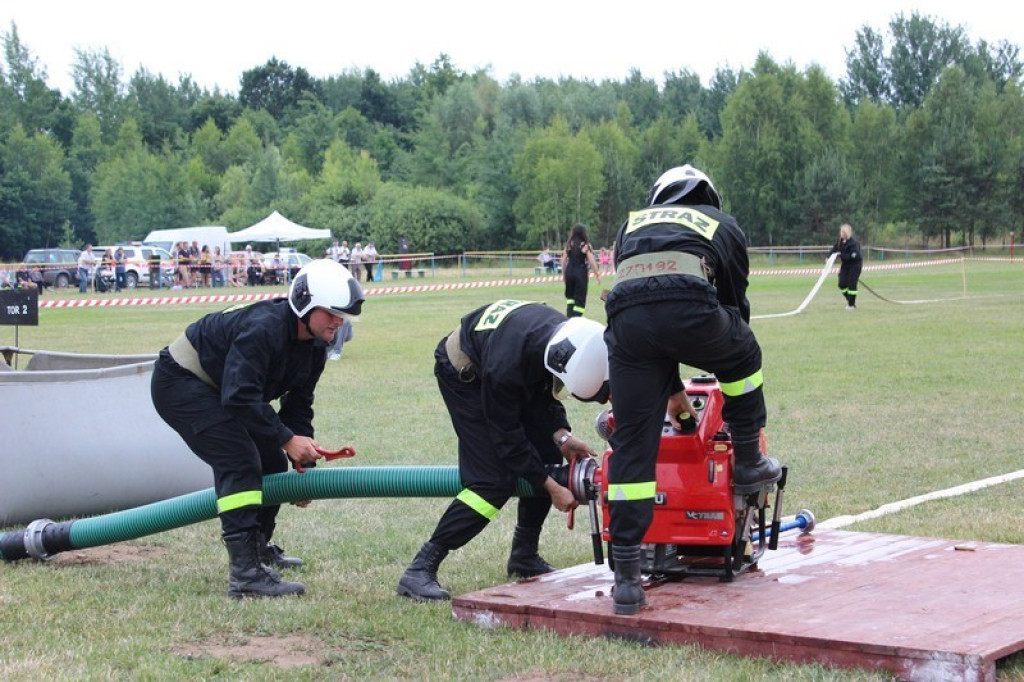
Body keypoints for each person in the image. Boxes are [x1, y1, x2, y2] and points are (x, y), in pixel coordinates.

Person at [602, 164, 782, 615]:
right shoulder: (723, 224)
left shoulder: (631, 221)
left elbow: (639, 300)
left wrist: (668, 386)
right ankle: (749, 462)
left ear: (659, 196)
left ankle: (626, 578)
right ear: (707, 195)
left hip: (627, 327)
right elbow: (735, 304)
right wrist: (723, 347)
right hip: (691, 308)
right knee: (744, 355)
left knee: (632, 447)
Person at [150, 259, 366, 598]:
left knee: (271, 461)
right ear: (305, 304)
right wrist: (285, 438)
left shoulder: (315, 348)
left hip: (224, 390)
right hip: (182, 382)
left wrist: (303, 461)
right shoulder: (264, 329)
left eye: (343, 315)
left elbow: (298, 405)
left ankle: (258, 551)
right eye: (331, 312)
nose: (339, 322)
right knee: (239, 461)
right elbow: (238, 396)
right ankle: (245, 576)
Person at [397, 301, 610, 602]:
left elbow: (542, 391)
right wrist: (551, 487)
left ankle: (524, 556)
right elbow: (507, 438)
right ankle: (420, 569)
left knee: (546, 454)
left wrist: (562, 438)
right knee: (491, 481)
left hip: (500, 358)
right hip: (466, 373)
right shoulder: (506, 369)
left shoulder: (564, 339)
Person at [560, 224, 602, 317]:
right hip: (580, 272)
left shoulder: (569, 244)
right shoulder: (585, 245)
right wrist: (597, 275)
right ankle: (577, 319)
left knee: (570, 298)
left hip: (569, 271)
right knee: (580, 299)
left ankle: (569, 318)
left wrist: (564, 275)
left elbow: (563, 261)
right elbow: (592, 262)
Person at [829, 223, 862, 310]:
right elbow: (834, 249)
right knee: (842, 283)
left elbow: (855, 256)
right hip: (845, 265)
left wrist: (843, 255)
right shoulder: (839, 242)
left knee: (852, 284)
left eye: (844, 232)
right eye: (841, 232)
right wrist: (828, 257)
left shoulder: (853, 243)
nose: (842, 234)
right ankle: (849, 299)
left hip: (855, 265)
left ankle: (851, 304)